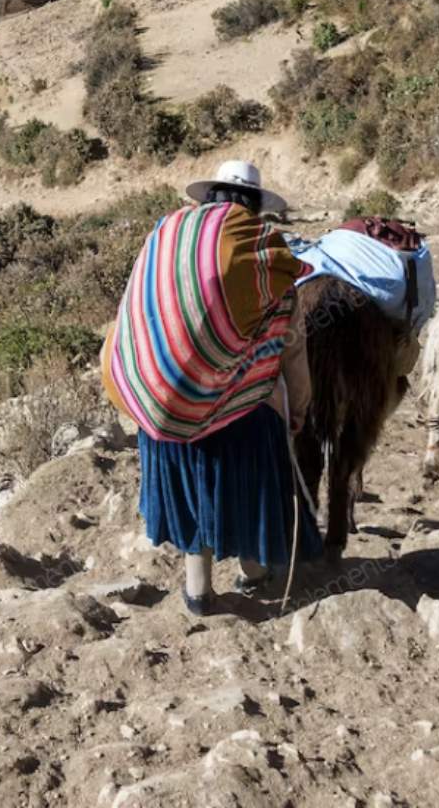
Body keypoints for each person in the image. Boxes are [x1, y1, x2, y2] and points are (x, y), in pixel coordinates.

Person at [102, 161, 318, 615]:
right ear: (257, 208)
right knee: (252, 464)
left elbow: (140, 308)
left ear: (209, 200)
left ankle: (197, 589)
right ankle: (254, 572)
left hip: (161, 402)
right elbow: (291, 351)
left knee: (188, 479)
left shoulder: (166, 238)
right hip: (240, 416)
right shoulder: (269, 260)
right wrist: (297, 409)